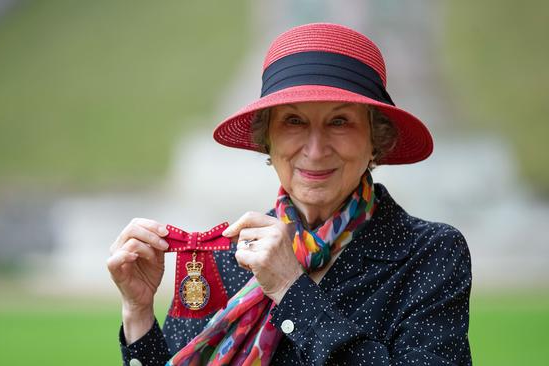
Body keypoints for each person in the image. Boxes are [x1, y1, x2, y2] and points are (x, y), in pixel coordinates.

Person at [108, 23, 472, 365]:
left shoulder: (428, 253)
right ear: (267, 138)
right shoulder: (226, 259)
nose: (315, 150)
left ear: (376, 139)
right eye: (294, 121)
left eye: (340, 121)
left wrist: (289, 288)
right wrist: (138, 313)